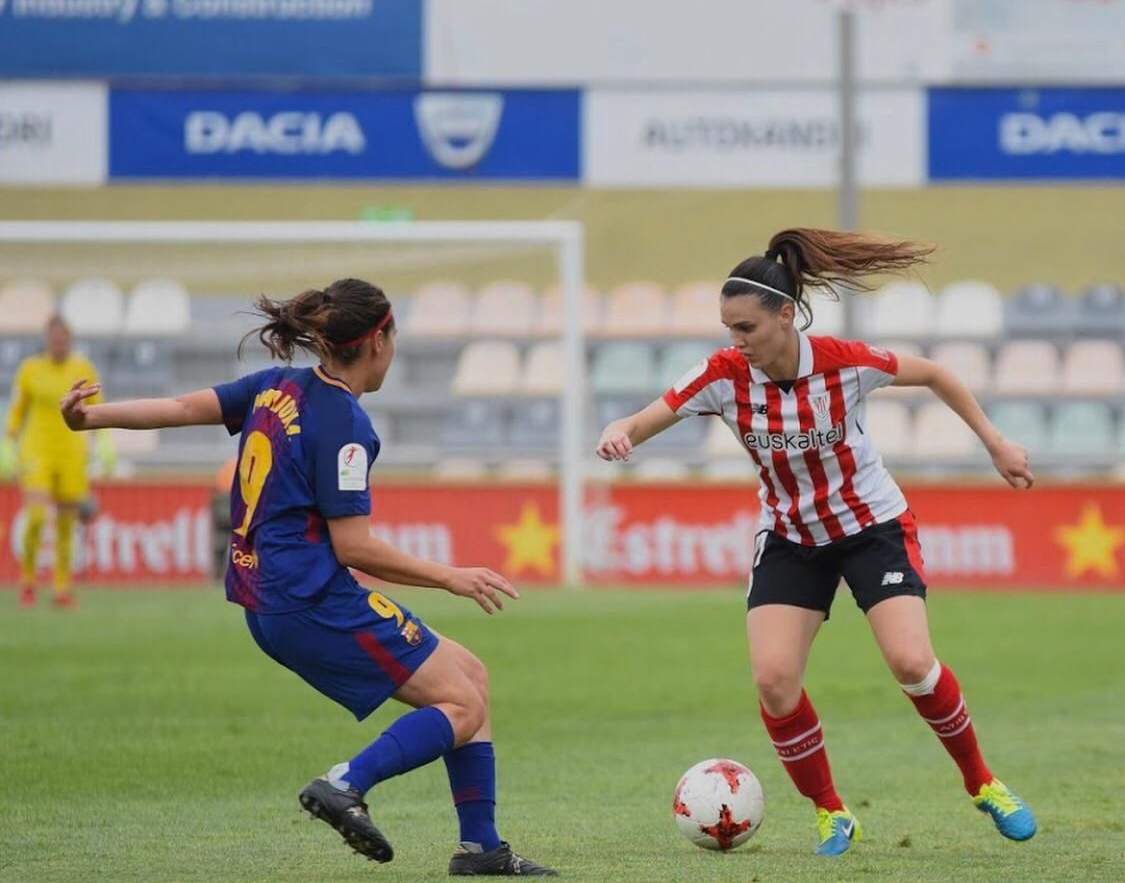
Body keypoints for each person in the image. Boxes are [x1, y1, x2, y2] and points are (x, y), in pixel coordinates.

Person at [59, 278, 556, 876]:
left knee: (470, 675)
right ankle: (346, 783)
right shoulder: (344, 422)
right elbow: (354, 546)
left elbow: (184, 407)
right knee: (461, 706)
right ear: (377, 342)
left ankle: (482, 850)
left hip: (267, 602)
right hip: (310, 601)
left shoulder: (276, 387)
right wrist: (449, 576)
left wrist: (90, 419)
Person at [596, 229, 1037, 857]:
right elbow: (641, 420)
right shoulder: (721, 375)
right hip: (790, 537)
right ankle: (831, 813)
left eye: (745, 327)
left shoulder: (843, 361)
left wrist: (994, 442)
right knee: (774, 682)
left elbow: (936, 372)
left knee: (912, 663)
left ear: (784, 315)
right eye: (728, 328)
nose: (735, 341)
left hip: (871, 529)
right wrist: (619, 432)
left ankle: (983, 782)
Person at [2, 315, 115, 608]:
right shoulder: (30, 370)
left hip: (72, 453)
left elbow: (97, 407)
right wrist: (8, 441)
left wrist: (104, 442)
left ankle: (61, 589)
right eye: (54, 338)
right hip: (37, 450)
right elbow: (17, 409)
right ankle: (27, 582)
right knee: (37, 517)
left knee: (66, 524)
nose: (58, 343)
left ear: (70, 340)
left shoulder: (82, 368)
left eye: (63, 338)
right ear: (46, 340)